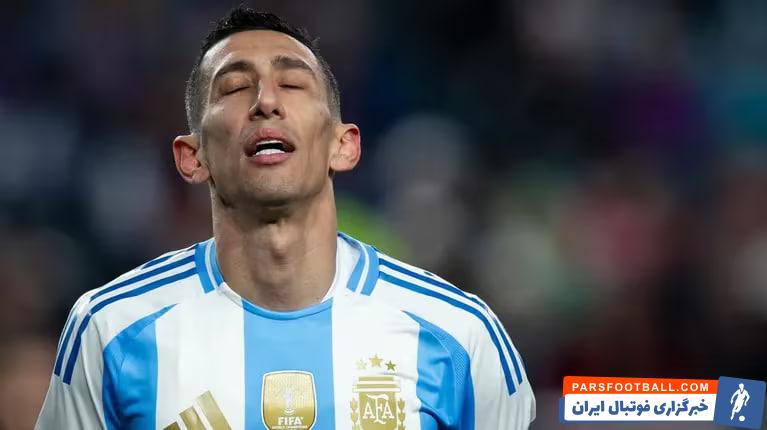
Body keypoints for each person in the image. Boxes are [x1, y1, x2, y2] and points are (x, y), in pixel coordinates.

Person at [36, 7, 535, 429]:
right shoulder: (111, 331)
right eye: (234, 88)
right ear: (193, 157)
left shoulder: (459, 335)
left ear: (344, 145)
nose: (266, 102)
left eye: (293, 83)